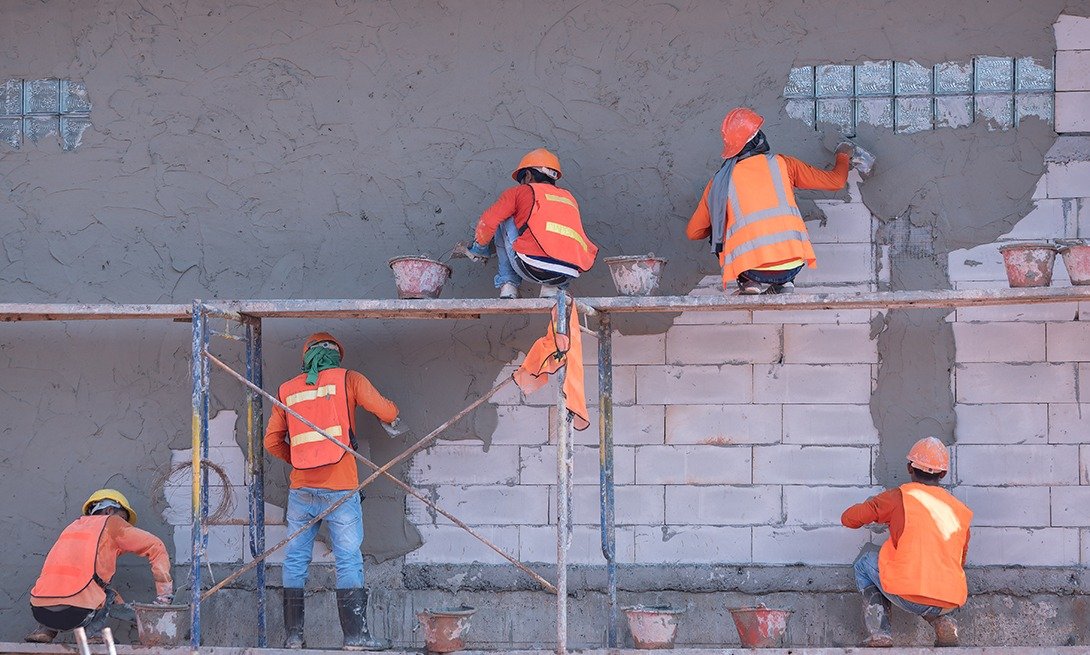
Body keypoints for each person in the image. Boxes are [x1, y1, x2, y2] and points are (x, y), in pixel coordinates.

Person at [264, 331, 402, 650]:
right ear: (337, 355)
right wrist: (395, 413)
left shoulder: (287, 389)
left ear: (306, 356)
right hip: (340, 488)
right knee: (348, 560)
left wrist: (301, 459)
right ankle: (355, 637)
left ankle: (293, 638)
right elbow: (387, 412)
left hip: (301, 490)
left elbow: (271, 442)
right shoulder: (348, 379)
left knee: (295, 559)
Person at [686, 107, 854, 294]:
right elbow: (836, 181)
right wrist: (843, 154)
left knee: (717, 225)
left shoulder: (719, 182)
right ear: (758, 139)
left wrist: (723, 220)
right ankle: (785, 282)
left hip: (750, 268)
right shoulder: (784, 164)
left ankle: (749, 283)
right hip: (793, 263)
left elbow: (694, 232)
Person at [841, 437, 972, 648]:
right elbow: (961, 559)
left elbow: (848, 519)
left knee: (865, 561)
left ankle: (880, 632)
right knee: (929, 588)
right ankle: (942, 622)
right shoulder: (960, 510)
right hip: (949, 600)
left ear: (909, 468)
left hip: (910, 594)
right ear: (943, 474)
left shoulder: (899, 497)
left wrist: (874, 505)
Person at [26, 488, 173, 644]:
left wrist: (125, 608)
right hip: (76, 613)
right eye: (123, 518)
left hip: (40, 611)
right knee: (106, 592)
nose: (124, 525)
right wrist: (164, 597)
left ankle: (45, 631)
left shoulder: (73, 527)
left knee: (60, 583)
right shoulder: (112, 523)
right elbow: (155, 546)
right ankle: (91, 634)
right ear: (109, 511)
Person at [463, 148, 598, 298]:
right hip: (567, 273)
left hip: (531, 267)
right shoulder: (569, 197)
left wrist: (479, 248)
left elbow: (488, 221)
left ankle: (508, 285)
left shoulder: (520, 192)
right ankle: (551, 289)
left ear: (528, 175)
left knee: (504, 217)